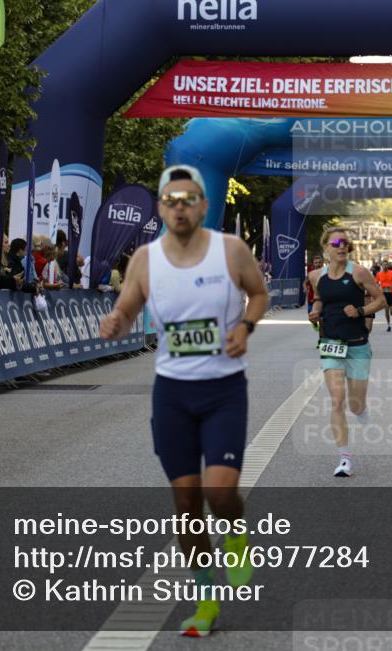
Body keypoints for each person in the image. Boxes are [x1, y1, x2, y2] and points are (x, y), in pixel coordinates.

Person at [99, 164, 269, 638]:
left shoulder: (230, 250)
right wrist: (116, 320)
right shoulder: (146, 260)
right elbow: (128, 307)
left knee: (219, 493)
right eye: (170, 200)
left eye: (188, 199)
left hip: (223, 390)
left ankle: (235, 533)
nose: (179, 207)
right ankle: (205, 600)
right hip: (172, 393)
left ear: (203, 205)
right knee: (188, 505)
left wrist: (245, 326)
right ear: (160, 207)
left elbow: (258, 294)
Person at [307, 227, 386, 477]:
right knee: (337, 399)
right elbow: (320, 297)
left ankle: (361, 409)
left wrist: (361, 311)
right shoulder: (315, 276)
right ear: (326, 248)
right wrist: (316, 310)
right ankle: (344, 459)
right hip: (331, 342)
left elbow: (381, 300)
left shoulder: (359, 273)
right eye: (337, 243)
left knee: (355, 404)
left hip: (358, 344)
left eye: (346, 243)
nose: (342, 247)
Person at [375, 260, 392, 332]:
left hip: (391, 293)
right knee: (386, 310)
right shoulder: (379, 274)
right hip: (384, 294)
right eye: (383, 265)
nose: (385, 266)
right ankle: (388, 325)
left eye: (386, 265)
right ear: (381, 265)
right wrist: (378, 287)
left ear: (388, 265)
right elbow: (376, 283)